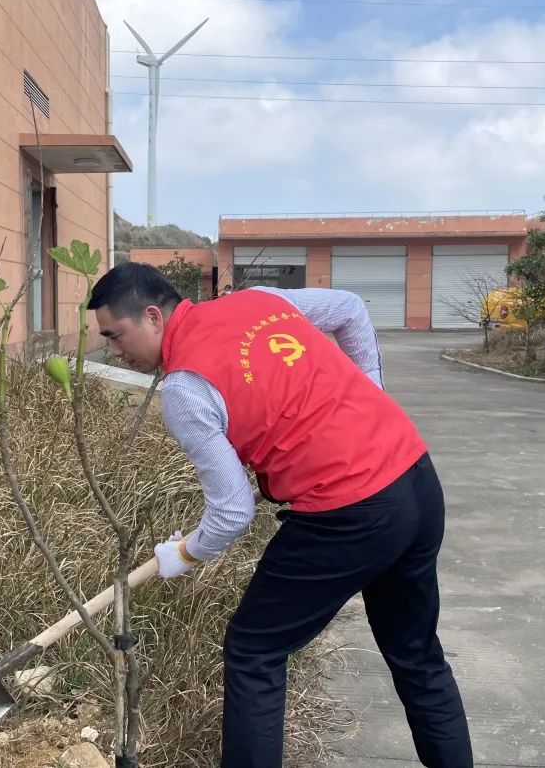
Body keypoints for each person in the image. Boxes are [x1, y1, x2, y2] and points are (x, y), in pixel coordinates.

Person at [88, 263, 473, 768]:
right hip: (415, 480)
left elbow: (232, 512)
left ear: (153, 316)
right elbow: (350, 310)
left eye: (116, 336)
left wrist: (185, 552)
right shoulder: (258, 301)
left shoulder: (185, 390)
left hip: (348, 513)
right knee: (416, 653)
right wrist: (371, 395)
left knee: (255, 650)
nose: (115, 351)